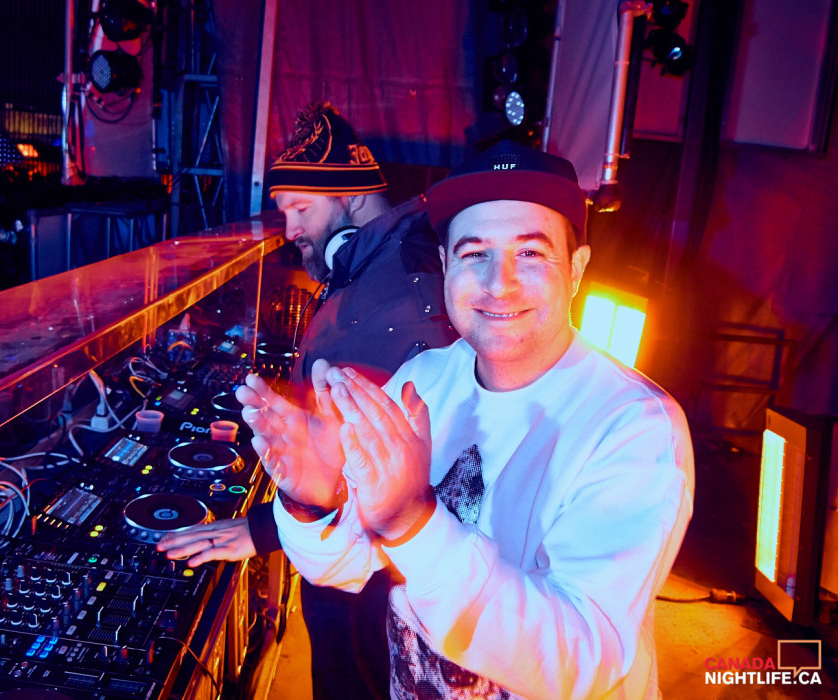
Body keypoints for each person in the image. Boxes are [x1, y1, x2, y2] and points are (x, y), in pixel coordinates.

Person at [238, 140, 695, 699]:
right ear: (445, 266)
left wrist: (415, 521)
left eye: (531, 254)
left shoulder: (634, 428)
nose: (499, 283)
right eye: (474, 253)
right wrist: (315, 502)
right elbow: (348, 566)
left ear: (576, 271)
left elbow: (580, 660)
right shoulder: (424, 379)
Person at [158, 103, 456, 699]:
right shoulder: (372, 266)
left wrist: (265, 527)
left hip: (371, 592)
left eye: (301, 208)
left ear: (352, 198)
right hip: (347, 563)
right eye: (284, 209)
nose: (289, 228)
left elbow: (375, 460)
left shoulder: (400, 287)